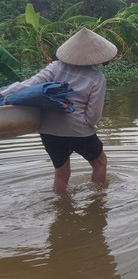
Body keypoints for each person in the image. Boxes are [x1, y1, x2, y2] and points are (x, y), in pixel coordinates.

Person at [0, 28, 117, 192]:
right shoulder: (97, 78)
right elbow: (93, 116)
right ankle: (97, 203)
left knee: (61, 172)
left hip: (48, 131)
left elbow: (27, 85)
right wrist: (89, 128)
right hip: (78, 130)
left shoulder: (55, 67)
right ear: (97, 55)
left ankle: (60, 207)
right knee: (100, 163)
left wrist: (2, 94)